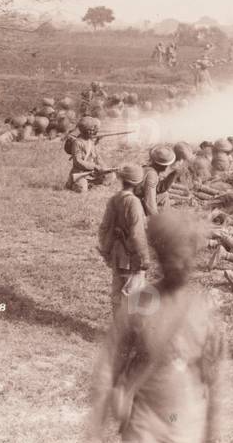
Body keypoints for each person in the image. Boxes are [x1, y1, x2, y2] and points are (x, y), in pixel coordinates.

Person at [89, 210, 232, 443]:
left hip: (190, 425)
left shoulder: (203, 309)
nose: (181, 264)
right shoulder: (139, 302)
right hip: (142, 424)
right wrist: (97, 418)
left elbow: (217, 373)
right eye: (174, 256)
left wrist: (215, 424)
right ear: (160, 256)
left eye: (187, 257)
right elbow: (110, 359)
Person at [97, 165, 151, 326]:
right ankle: (130, 332)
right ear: (139, 183)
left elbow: (104, 228)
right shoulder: (134, 202)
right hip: (131, 254)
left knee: (117, 291)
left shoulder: (114, 199)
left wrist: (106, 250)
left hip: (116, 252)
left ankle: (119, 328)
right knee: (134, 292)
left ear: (122, 180)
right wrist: (144, 257)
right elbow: (137, 234)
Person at [65, 117, 114, 193]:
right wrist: (94, 166)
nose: (92, 132)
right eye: (89, 130)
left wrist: (104, 168)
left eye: (93, 130)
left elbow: (97, 157)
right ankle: (72, 184)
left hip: (93, 173)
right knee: (81, 190)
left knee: (111, 176)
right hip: (80, 172)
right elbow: (77, 161)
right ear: (83, 131)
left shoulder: (91, 142)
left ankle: (91, 184)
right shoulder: (77, 143)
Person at [141, 145, 178, 216]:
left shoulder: (148, 168)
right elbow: (149, 201)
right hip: (136, 202)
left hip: (139, 199)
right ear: (164, 166)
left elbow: (159, 188)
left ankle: (166, 218)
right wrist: (156, 220)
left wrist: (173, 174)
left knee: (164, 195)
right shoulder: (151, 175)